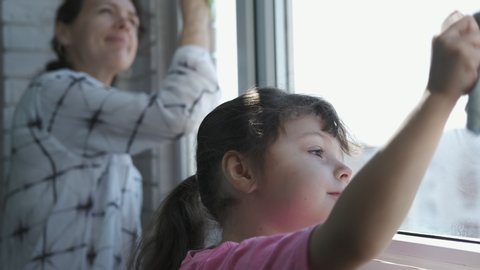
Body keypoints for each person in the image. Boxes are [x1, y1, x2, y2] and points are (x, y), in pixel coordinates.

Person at [130, 13, 480, 270]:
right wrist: (440, 94)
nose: (344, 170)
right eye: (317, 151)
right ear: (242, 171)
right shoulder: (224, 265)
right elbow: (354, 238)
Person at [0, 0, 219, 269]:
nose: (125, 22)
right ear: (64, 31)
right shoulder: (54, 93)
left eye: (133, 20)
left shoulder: (99, 129)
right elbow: (178, 113)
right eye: (106, 11)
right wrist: (195, 11)